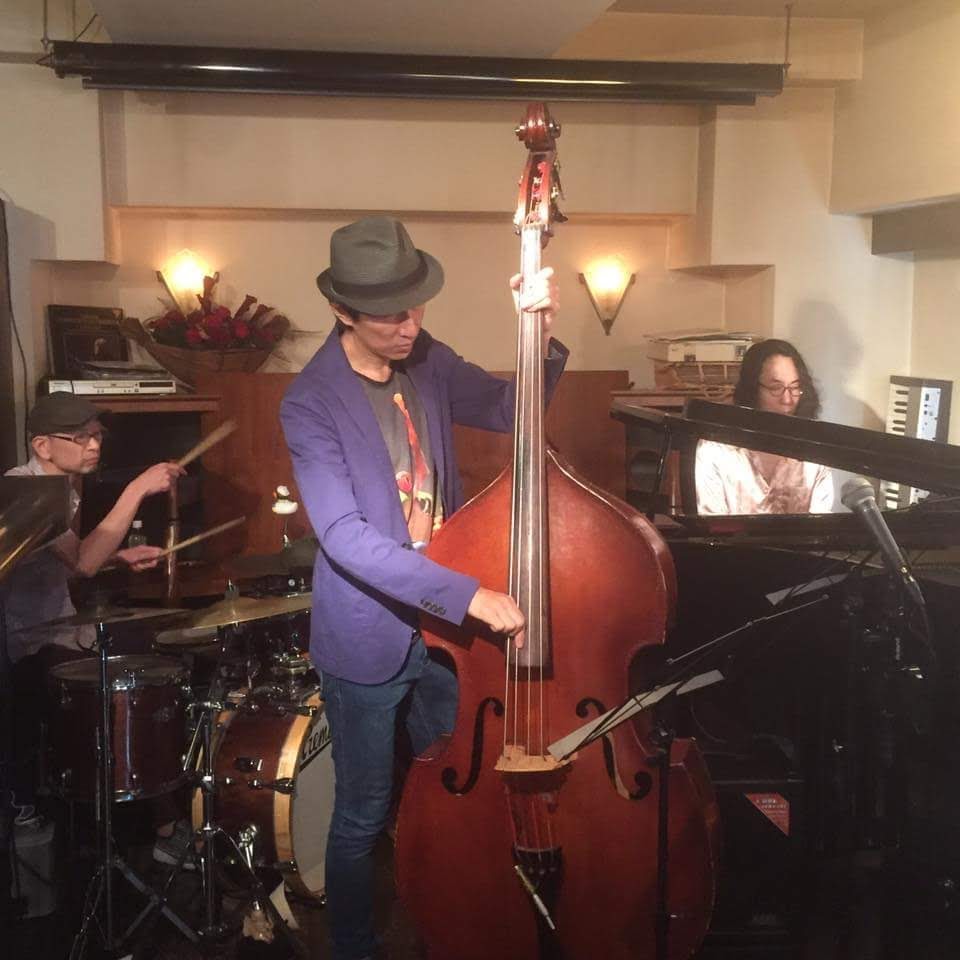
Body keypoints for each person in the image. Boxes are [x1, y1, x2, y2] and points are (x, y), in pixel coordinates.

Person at [280, 215, 566, 960]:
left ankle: (455, 930)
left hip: (444, 638)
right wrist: (466, 594)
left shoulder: (426, 357)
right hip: (368, 637)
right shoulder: (309, 401)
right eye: (390, 316)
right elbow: (344, 537)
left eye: (415, 308)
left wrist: (536, 331)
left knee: (456, 795)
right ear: (342, 310)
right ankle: (353, 948)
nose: (410, 325)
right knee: (363, 814)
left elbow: (509, 410)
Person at [1, 392, 184, 855]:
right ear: (42, 445)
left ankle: (158, 809)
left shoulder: (64, 486)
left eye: (96, 435)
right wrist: (136, 489)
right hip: (28, 641)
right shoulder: (26, 489)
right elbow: (82, 563)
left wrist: (117, 558)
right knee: (125, 683)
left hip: (59, 626)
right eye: (80, 437)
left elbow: (62, 564)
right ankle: (157, 823)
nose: (94, 445)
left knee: (157, 652)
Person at [695, 338, 834, 515]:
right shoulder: (716, 449)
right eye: (776, 388)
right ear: (753, 389)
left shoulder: (814, 453)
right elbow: (710, 523)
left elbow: (821, 524)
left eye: (795, 388)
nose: (787, 400)